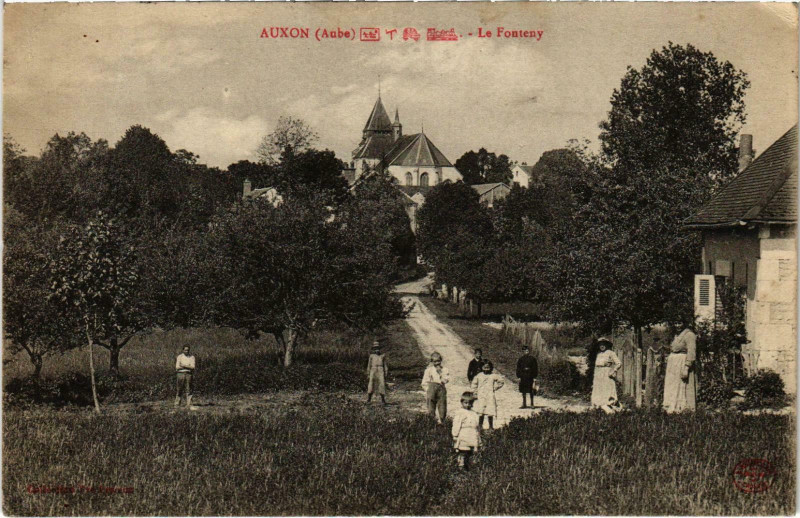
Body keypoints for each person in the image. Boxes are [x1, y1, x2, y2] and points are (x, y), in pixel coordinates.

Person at [663, 325, 697, 413]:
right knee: (673, 385)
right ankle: (671, 407)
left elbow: (691, 352)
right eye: (676, 323)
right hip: (674, 366)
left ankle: (681, 408)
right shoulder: (677, 335)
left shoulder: (689, 335)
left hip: (682, 364)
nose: (677, 325)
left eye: (680, 323)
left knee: (681, 386)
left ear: (684, 322)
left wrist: (686, 367)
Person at [451, 391, 481, 471]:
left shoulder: (473, 413)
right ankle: (460, 466)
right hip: (464, 434)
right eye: (466, 403)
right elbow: (456, 424)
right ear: (462, 402)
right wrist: (455, 435)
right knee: (463, 451)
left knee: (470, 452)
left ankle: (467, 466)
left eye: (470, 403)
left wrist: (478, 437)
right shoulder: (460, 413)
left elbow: (477, 426)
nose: (468, 405)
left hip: (472, 435)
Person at [591, 338, 621, 413]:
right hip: (598, 374)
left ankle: (609, 406)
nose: (602, 346)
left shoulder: (611, 353)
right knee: (598, 390)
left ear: (607, 345)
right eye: (600, 344)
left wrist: (613, 370)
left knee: (607, 390)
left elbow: (619, 363)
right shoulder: (598, 354)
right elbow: (596, 366)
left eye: (604, 344)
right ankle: (598, 406)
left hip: (606, 374)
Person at [471, 361, 504, 430]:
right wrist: (475, 392)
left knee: (490, 410)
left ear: (490, 368)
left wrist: (495, 388)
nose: (486, 369)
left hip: (490, 395)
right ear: (482, 368)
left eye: (488, 368)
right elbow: (474, 384)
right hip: (481, 395)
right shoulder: (479, 376)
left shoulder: (493, 375)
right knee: (481, 411)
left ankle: (491, 426)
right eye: (484, 367)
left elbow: (501, 381)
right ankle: (480, 425)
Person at [422, 352, 449, 424]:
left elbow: (445, 380)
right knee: (431, 406)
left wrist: (440, 373)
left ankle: (442, 421)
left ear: (441, 360)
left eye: (438, 361)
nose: (437, 363)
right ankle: (432, 421)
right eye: (435, 361)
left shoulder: (445, 370)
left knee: (442, 405)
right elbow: (424, 382)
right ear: (432, 362)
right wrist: (428, 389)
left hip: (441, 388)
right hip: (431, 388)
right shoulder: (428, 370)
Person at [175, 345, 196, 409]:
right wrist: (188, 366)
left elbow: (193, 367)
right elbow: (177, 367)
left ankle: (189, 404)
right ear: (183, 350)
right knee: (179, 389)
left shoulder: (192, 357)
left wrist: (183, 365)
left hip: (188, 374)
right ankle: (177, 403)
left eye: (188, 350)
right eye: (185, 350)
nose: (186, 351)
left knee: (189, 389)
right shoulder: (180, 357)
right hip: (180, 374)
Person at [366, 341, 388, 405]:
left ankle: (383, 400)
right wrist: (368, 373)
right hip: (373, 369)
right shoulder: (371, 356)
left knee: (382, 383)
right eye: (375, 348)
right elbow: (369, 365)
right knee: (371, 383)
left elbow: (385, 365)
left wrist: (386, 372)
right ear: (373, 349)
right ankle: (369, 399)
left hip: (380, 370)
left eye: (378, 348)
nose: (377, 350)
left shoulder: (382, 356)